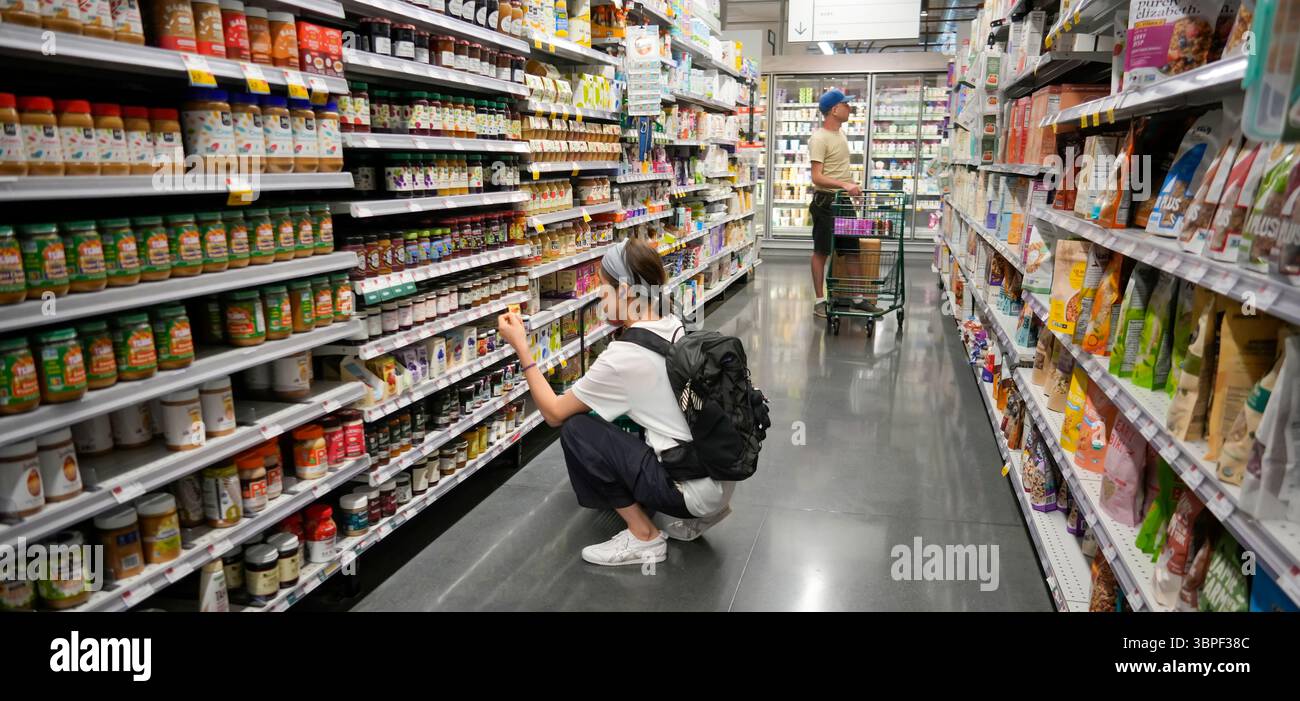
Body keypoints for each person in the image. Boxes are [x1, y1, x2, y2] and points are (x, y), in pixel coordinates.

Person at [496, 239, 734, 567]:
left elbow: (552, 413)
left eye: (602, 288)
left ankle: (644, 537)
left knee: (577, 429)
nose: (598, 296)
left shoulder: (624, 356)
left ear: (624, 293)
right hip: (718, 476)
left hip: (689, 492)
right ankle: (700, 504)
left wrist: (522, 347)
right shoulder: (673, 323)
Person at [809, 87, 862, 319]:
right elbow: (817, 177)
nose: (850, 107)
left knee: (852, 249)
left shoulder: (841, 134)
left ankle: (859, 298)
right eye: (846, 104)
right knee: (822, 251)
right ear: (834, 109)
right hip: (825, 202)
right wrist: (844, 185)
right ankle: (820, 300)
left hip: (843, 201)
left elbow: (839, 170)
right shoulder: (819, 138)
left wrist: (851, 187)